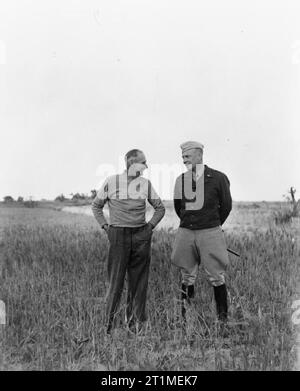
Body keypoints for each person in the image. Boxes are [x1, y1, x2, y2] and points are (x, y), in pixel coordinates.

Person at [92, 149, 165, 334]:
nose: (146, 166)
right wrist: (106, 227)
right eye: (143, 162)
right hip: (118, 235)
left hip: (141, 235)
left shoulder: (145, 184)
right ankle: (107, 328)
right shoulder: (111, 181)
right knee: (115, 282)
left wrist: (149, 227)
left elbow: (160, 208)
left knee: (139, 283)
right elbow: (96, 206)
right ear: (131, 163)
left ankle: (135, 327)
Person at [171, 141, 232, 324]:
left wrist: (211, 225)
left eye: (187, 156)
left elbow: (226, 206)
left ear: (199, 155)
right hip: (186, 232)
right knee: (186, 275)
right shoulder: (181, 180)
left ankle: (222, 321)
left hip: (210, 232)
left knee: (216, 275)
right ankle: (186, 318)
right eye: (182, 157)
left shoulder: (218, 178)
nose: (184, 160)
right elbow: (178, 207)